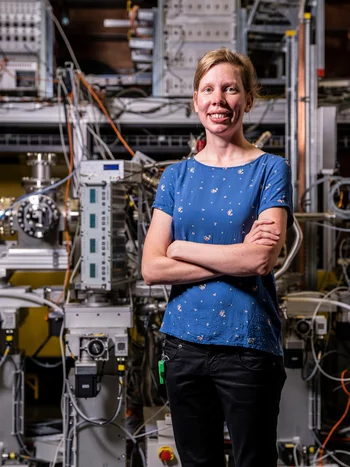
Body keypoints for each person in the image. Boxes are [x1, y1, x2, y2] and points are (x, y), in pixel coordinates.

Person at [141, 47, 293, 467]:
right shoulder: (176, 176)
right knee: (196, 462)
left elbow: (260, 261)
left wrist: (181, 247)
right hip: (183, 348)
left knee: (253, 461)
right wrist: (237, 252)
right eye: (208, 89)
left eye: (230, 89)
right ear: (195, 100)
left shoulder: (270, 169)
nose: (218, 100)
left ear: (248, 98)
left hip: (248, 347)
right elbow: (151, 267)